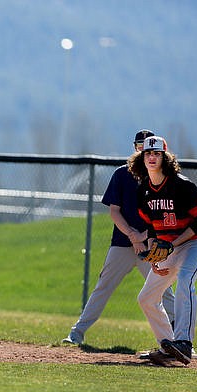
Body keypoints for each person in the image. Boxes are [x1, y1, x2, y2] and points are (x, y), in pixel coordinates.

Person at [62, 130, 176, 346]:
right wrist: (133, 235)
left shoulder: (163, 178)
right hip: (123, 243)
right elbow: (114, 210)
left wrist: (143, 236)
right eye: (141, 146)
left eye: (150, 148)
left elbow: (165, 213)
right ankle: (77, 333)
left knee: (164, 290)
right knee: (103, 286)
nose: (145, 150)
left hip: (151, 245)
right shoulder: (122, 174)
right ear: (135, 148)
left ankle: (181, 339)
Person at [129, 136, 197, 366]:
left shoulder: (181, 185)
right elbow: (151, 227)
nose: (152, 157)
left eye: (157, 154)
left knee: (185, 280)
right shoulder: (143, 191)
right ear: (141, 159)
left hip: (196, 243)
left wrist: (171, 246)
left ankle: (184, 343)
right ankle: (168, 345)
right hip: (168, 250)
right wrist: (155, 256)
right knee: (146, 298)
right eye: (148, 154)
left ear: (165, 158)